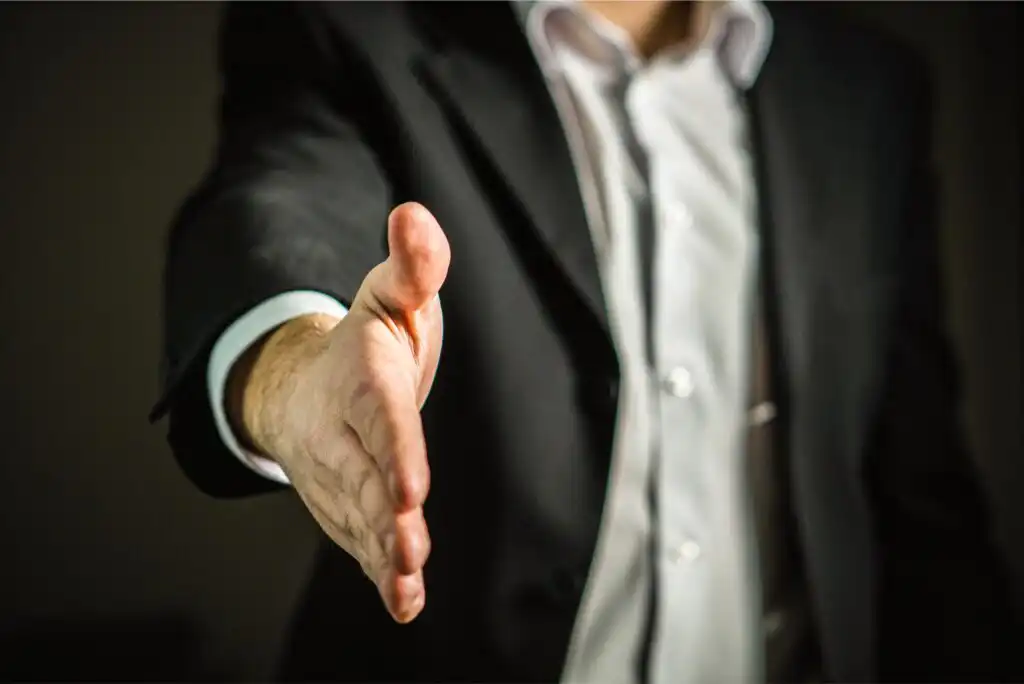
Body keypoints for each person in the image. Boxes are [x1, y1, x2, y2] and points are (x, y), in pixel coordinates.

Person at [152, 1, 1022, 682]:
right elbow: (275, 204)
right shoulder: (347, 25)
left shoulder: (869, 90)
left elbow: (918, 494)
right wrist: (294, 370)